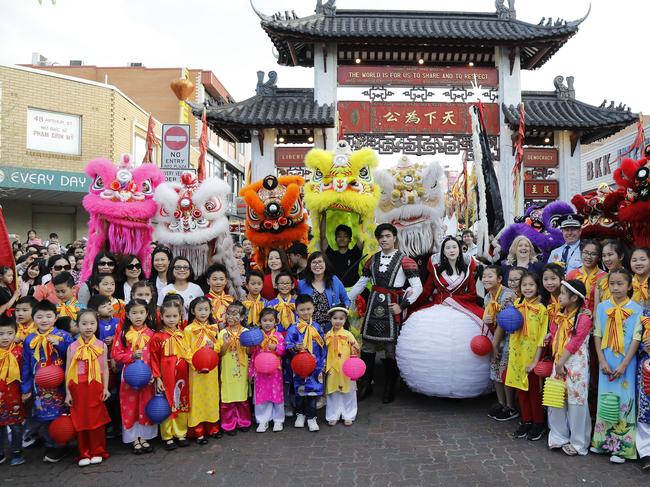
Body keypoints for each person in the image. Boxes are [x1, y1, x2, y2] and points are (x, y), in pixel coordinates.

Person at [399, 235, 485, 399]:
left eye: (454, 247)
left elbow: (472, 294)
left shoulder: (467, 269)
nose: (452, 250)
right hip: (438, 308)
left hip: (462, 309)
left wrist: (453, 300)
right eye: (448, 248)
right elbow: (426, 291)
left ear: (459, 250)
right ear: (443, 252)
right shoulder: (436, 270)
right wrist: (410, 298)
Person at [348, 224, 422, 404]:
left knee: (391, 348)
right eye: (381, 237)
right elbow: (360, 283)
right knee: (367, 346)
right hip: (373, 306)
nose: (384, 239)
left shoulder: (406, 260)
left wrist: (402, 305)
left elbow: (417, 287)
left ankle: (390, 386)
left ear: (394, 237)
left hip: (393, 307)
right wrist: (343, 300)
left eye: (388, 236)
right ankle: (366, 383)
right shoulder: (372, 260)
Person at [591, 269, 642, 463]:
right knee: (606, 400)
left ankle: (622, 449)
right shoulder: (602, 307)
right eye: (612, 283)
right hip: (607, 361)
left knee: (624, 401)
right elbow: (597, 333)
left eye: (620, 283)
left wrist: (625, 364)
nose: (615, 287)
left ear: (629, 286)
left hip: (625, 363)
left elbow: (637, 338)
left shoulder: (636, 309)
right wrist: (601, 360)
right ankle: (601, 443)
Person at [21, 300, 74, 463]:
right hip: (40, 387)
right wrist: (26, 388)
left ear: (56, 317)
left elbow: (73, 356)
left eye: (49, 316)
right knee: (43, 417)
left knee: (61, 415)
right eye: (40, 316)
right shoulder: (29, 339)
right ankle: (50, 443)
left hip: (60, 386)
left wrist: (60, 345)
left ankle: (62, 444)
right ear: (33, 318)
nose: (44, 320)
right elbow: (26, 365)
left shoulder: (64, 336)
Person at [547, 280, 593, 456]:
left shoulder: (584, 318)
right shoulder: (559, 314)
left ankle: (578, 442)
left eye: (563, 293)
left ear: (574, 297)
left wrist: (560, 363)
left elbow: (575, 342)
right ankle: (558, 436)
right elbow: (554, 334)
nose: (559, 296)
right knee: (556, 397)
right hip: (559, 360)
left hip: (575, 363)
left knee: (576, 401)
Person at [64, 309, 111, 467]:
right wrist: (67, 393)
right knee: (80, 421)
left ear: (97, 325)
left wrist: (105, 388)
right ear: (78, 326)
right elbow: (68, 371)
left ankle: (97, 450)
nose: (88, 327)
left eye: (92, 323)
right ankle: (84, 452)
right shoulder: (72, 347)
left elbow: (104, 368)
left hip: (95, 386)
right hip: (77, 388)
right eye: (84, 324)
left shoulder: (101, 345)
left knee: (96, 421)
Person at [110, 299, 157, 454]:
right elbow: (116, 354)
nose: (138, 316)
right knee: (130, 406)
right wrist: (131, 356)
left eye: (142, 312)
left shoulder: (151, 333)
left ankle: (144, 436)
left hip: (147, 376)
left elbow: (155, 356)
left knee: (145, 404)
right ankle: (133, 438)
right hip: (129, 377)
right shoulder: (124, 333)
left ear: (147, 314)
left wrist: (154, 374)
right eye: (134, 313)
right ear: (128, 316)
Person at [509, 272, 548, 441]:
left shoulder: (541, 309)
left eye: (531, 285)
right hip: (517, 354)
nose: (527, 288)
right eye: (524, 285)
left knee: (533, 390)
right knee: (520, 389)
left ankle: (538, 423)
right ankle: (526, 420)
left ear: (537, 287)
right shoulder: (515, 305)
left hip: (532, 355)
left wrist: (535, 360)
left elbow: (542, 337)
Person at [149, 299, 191, 450]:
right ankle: (167, 436)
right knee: (167, 403)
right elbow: (153, 358)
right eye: (168, 316)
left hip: (182, 373)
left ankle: (181, 433)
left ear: (180, 316)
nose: (171, 319)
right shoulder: (157, 337)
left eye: (175, 316)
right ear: (162, 317)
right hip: (165, 374)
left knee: (181, 400)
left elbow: (188, 353)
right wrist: (157, 377)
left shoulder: (183, 334)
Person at [285, 294, 326, 432]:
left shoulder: (317, 327)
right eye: (302, 310)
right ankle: (300, 414)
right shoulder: (293, 328)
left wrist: (322, 362)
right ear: (296, 310)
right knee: (300, 392)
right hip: (299, 367)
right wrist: (295, 347)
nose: (305, 312)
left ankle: (311, 417)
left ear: (313, 309)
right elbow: (287, 344)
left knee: (313, 393)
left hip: (315, 366)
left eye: (308, 309)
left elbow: (323, 345)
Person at [184, 297, 222, 443]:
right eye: (200, 309)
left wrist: (214, 347)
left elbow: (218, 346)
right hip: (196, 372)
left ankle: (213, 428)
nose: (203, 312)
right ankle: (198, 431)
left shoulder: (214, 327)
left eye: (206, 309)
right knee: (197, 400)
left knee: (212, 397)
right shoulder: (188, 330)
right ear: (193, 311)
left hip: (211, 369)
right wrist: (196, 365)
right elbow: (186, 350)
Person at [482, 265, 517, 421]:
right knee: (495, 368)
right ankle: (501, 403)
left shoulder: (508, 295)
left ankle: (511, 406)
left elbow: (505, 322)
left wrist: (495, 345)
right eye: (484, 276)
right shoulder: (487, 297)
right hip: (497, 337)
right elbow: (494, 323)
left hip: (510, 338)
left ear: (500, 279)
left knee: (504, 371)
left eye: (490, 276)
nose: (486, 279)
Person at [249, 307, 285, 433]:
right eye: (265, 320)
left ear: (276, 322)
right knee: (261, 396)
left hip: (275, 372)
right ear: (260, 322)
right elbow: (252, 354)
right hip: (260, 372)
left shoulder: (278, 335)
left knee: (276, 395)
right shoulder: (257, 336)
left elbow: (283, 350)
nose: (268, 323)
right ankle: (262, 420)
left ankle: (278, 420)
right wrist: (251, 371)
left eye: (271, 320)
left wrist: (275, 347)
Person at [218, 301, 252, 435]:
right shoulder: (222, 332)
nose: (231, 317)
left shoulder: (246, 332)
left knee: (242, 395)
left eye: (235, 314)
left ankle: (244, 421)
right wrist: (226, 343)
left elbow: (249, 352)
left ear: (242, 317)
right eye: (228, 314)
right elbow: (220, 353)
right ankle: (228, 424)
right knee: (228, 397)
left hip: (242, 369)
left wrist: (247, 343)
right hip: (227, 367)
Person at [297, 252, 350, 333]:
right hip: (310, 328)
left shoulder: (334, 280)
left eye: (320, 262)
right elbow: (296, 304)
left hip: (332, 327)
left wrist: (342, 311)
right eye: (314, 262)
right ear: (309, 266)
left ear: (326, 264)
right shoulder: (301, 284)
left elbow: (346, 300)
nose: (317, 265)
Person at [325, 305, 359, 426]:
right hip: (333, 369)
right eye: (335, 318)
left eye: (341, 318)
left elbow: (356, 349)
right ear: (330, 319)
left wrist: (355, 351)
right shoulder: (327, 335)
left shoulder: (348, 335)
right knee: (333, 392)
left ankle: (348, 415)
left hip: (346, 369)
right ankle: (333, 415)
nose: (338, 321)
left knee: (348, 392)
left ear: (345, 320)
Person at [0, 316, 25, 466]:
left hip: (15, 396)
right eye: (1, 333)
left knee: (16, 426)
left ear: (15, 333)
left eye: (9, 333)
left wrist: (26, 390)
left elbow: (26, 373)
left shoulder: (19, 352)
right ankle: (1, 452)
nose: (5, 337)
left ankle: (17, 452)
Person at [566, 240, 606, 312]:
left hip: (596, 318)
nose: (588, 257)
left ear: (599, 257)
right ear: (581, 253)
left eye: (593, 254)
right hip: (574, 318)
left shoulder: (605, 277)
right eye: (585, 253)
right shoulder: (571, 275)